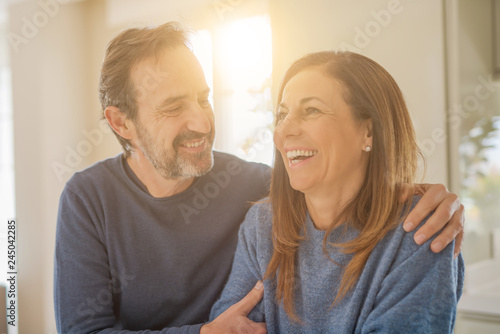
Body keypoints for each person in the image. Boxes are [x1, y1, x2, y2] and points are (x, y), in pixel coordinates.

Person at [54, 22, 464, 333]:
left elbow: (339, 188)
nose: (201, 120)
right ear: (121, 123)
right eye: (173, 106)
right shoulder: (88, 199)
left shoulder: (256, 188)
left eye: (203, 98)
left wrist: (428, 199)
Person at [209, 51, 465, 333]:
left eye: (311, 110)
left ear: (368, 131)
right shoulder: (261, 226)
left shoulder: (421, 231)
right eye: (282, 115)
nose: (285, 131)